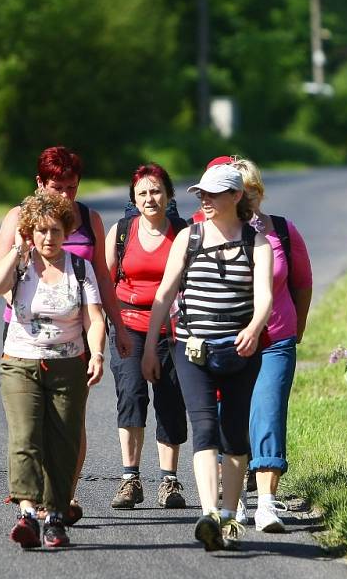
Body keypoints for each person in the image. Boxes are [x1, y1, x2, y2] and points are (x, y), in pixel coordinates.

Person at [0, 145, 130, 525]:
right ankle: (35, 503)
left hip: (77, 325)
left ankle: (64, 494)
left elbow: (101, 275)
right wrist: (28, 287)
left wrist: (118, 326)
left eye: (71, 186)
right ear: (40, 183)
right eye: (57, 186)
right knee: (30, 423)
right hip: (26, 329)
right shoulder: (19, 217)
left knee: (70, 422)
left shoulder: (89, 219)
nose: (65, 195)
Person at [141, 163, 273, 552]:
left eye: (213, 194)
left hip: (240, 348)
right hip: (191, 346)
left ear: (236, 197)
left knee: (234, 432)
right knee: (203, 426)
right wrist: (151, 345)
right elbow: (165, 294)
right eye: (201, 193)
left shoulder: (256, 242)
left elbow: (264, 294)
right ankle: (210, 513)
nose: (204, 200)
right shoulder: (189, 237)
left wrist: (254, 327)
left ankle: (230, 517)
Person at [0, 191, 106, 548]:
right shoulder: (19, 264)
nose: (48, 238)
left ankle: (54, 515)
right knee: (25, 436)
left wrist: (96, 353)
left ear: (66, 231)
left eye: (55, 230)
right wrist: (18, 250)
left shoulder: (78, 268)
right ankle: (26, 512)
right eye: (40, 231)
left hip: (69, 364)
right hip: (20, 362)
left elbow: (94, 319)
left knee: (63, 441)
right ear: (30, 232)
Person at [231, 157, 313, 532]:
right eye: (234, 193)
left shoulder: (282, 229)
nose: (242, 200)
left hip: (275, 339)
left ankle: (266, 503)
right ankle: (234, 500)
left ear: (258, 193)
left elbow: (303, 282)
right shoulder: (211, 231)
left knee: (268, 414)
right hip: (227, 340)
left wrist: (299, 324)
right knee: (228, 418)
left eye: (247, 192)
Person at [104, 163, 188, 510]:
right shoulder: (122, 231)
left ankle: (169, 482)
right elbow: (105, 283)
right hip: (129, 325)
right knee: (132, 396)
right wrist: (104, 328)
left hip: (174, 329)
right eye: (142, 193)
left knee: (171, 400)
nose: (150, 198)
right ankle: (130, 479)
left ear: (168, 195)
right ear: (133, 199)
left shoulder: (183, 232)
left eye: (156, 191)